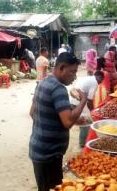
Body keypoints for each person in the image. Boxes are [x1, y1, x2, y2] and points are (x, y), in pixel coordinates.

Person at [29, 53, 87, 191]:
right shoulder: (58, 89)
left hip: (39, 149)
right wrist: (83, 101)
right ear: (61, 68)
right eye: (72, 72)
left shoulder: (43, 82)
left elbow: (33, 113)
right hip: (49, 154)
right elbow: (67, 122)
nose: (74, 77)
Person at [71, 71, 104, 147]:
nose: (101, 82)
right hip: (78, 103)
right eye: (101, 79)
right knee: (85, 124)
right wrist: (93, 111)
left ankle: (83, 142)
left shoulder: (87, 78)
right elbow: (89, 101)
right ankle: (83, 144)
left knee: (81, 122)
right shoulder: (95, 82)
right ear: (98, 76)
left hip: (73, 101)